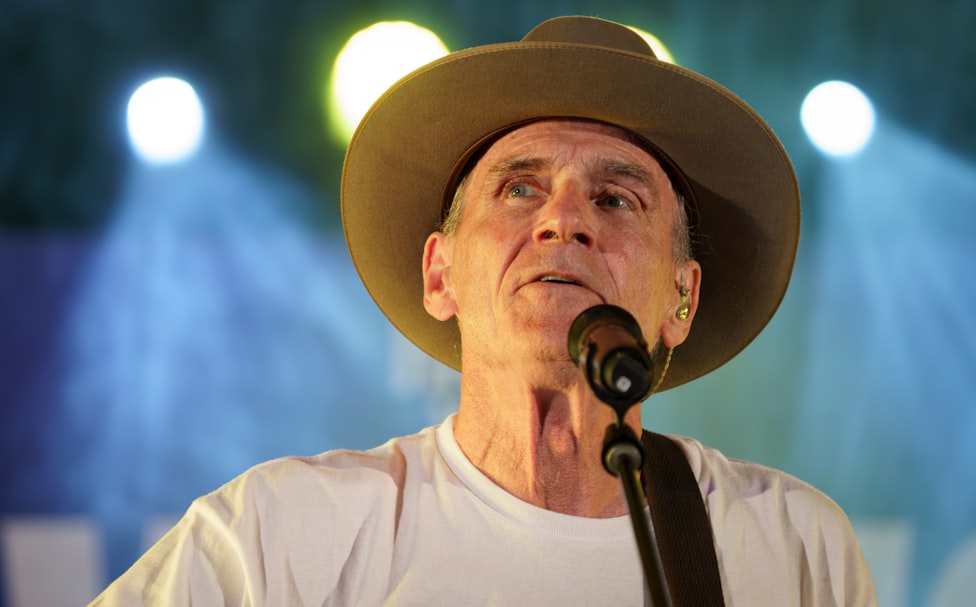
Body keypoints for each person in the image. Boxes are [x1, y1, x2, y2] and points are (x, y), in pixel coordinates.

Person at [91, 16, 876, 605]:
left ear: (681, 296)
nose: (562, 220)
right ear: (440, 273)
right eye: (520, 188)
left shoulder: (790, 547)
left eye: (614, 197)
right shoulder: (281, 536)